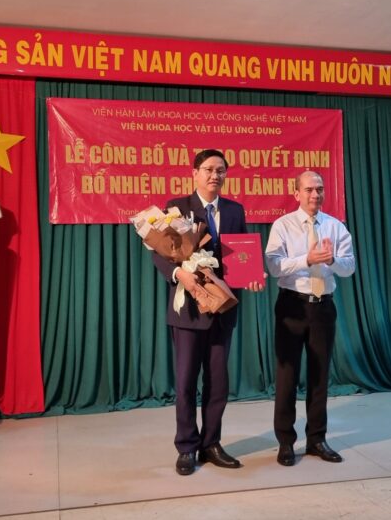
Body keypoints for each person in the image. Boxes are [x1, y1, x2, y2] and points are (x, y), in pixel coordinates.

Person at [152, 149, 264, 475]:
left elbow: (240, 255)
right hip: (189, 309)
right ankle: (187, 447)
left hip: (222, 309)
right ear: (195, 173)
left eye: (221, 170)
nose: (215, 175)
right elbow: (160, 253)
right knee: (186, 381)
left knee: (218, 382)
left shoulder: (234, 210)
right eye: (209, 169)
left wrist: (252, 275)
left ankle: (211, 443)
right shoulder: (177, 207)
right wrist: (179, 274)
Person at [265, 170, 355, 466]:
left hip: (322, 308)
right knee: (287, 376)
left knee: (319, 376)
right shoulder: (283, 225)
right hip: (292, 306)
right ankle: (285, 442)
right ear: (296, 193)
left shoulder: (335, 226)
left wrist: (331, 259)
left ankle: (317, 439)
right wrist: (307, 259)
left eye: (320, 189)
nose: (315, 195)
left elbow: (349, 267)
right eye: (309, 190)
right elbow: (274, 266)